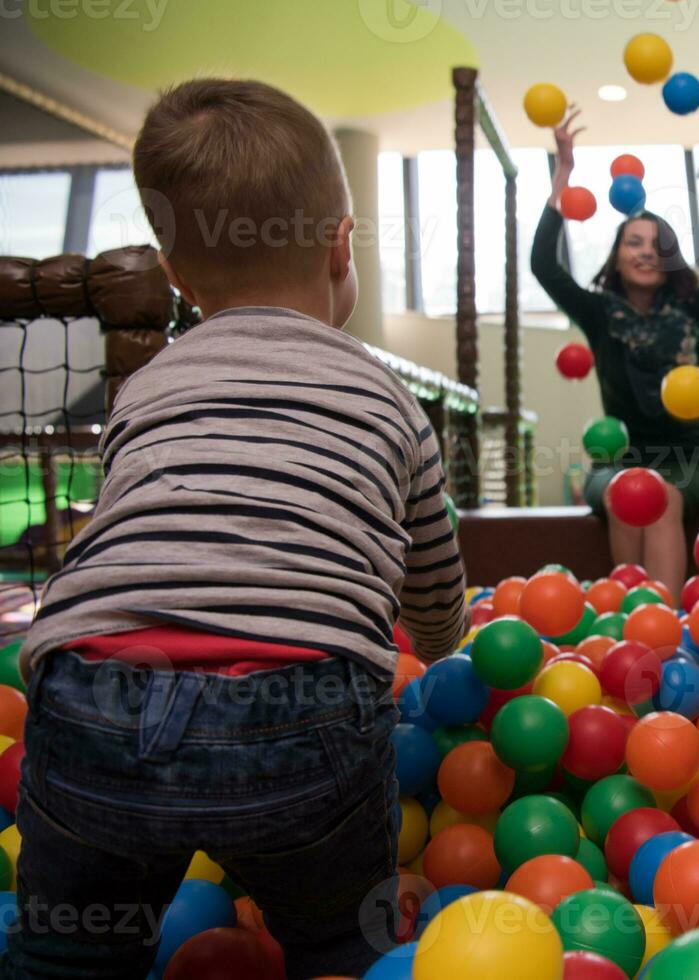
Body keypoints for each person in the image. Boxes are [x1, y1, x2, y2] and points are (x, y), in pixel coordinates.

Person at [7, 79, 467, 978]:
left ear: (175, 276)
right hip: (300, 717)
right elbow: (435, 594)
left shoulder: (145, 388)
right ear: (342, 248)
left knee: (65, 958)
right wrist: (444, 638)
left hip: (87, 694)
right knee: (341, 943)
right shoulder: (385, 396)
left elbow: (132, 533)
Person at [531, 109, 699, 600]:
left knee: (658, 494)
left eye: (657, 245)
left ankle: (661, 630)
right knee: (634, 489)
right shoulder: (599, 313)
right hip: (617, 462)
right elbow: (543, 262)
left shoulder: (693, 310)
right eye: (634, 242)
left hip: (690, 461)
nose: (646, 252)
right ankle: (628, 627)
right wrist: (563, 172)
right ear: (618, 255)